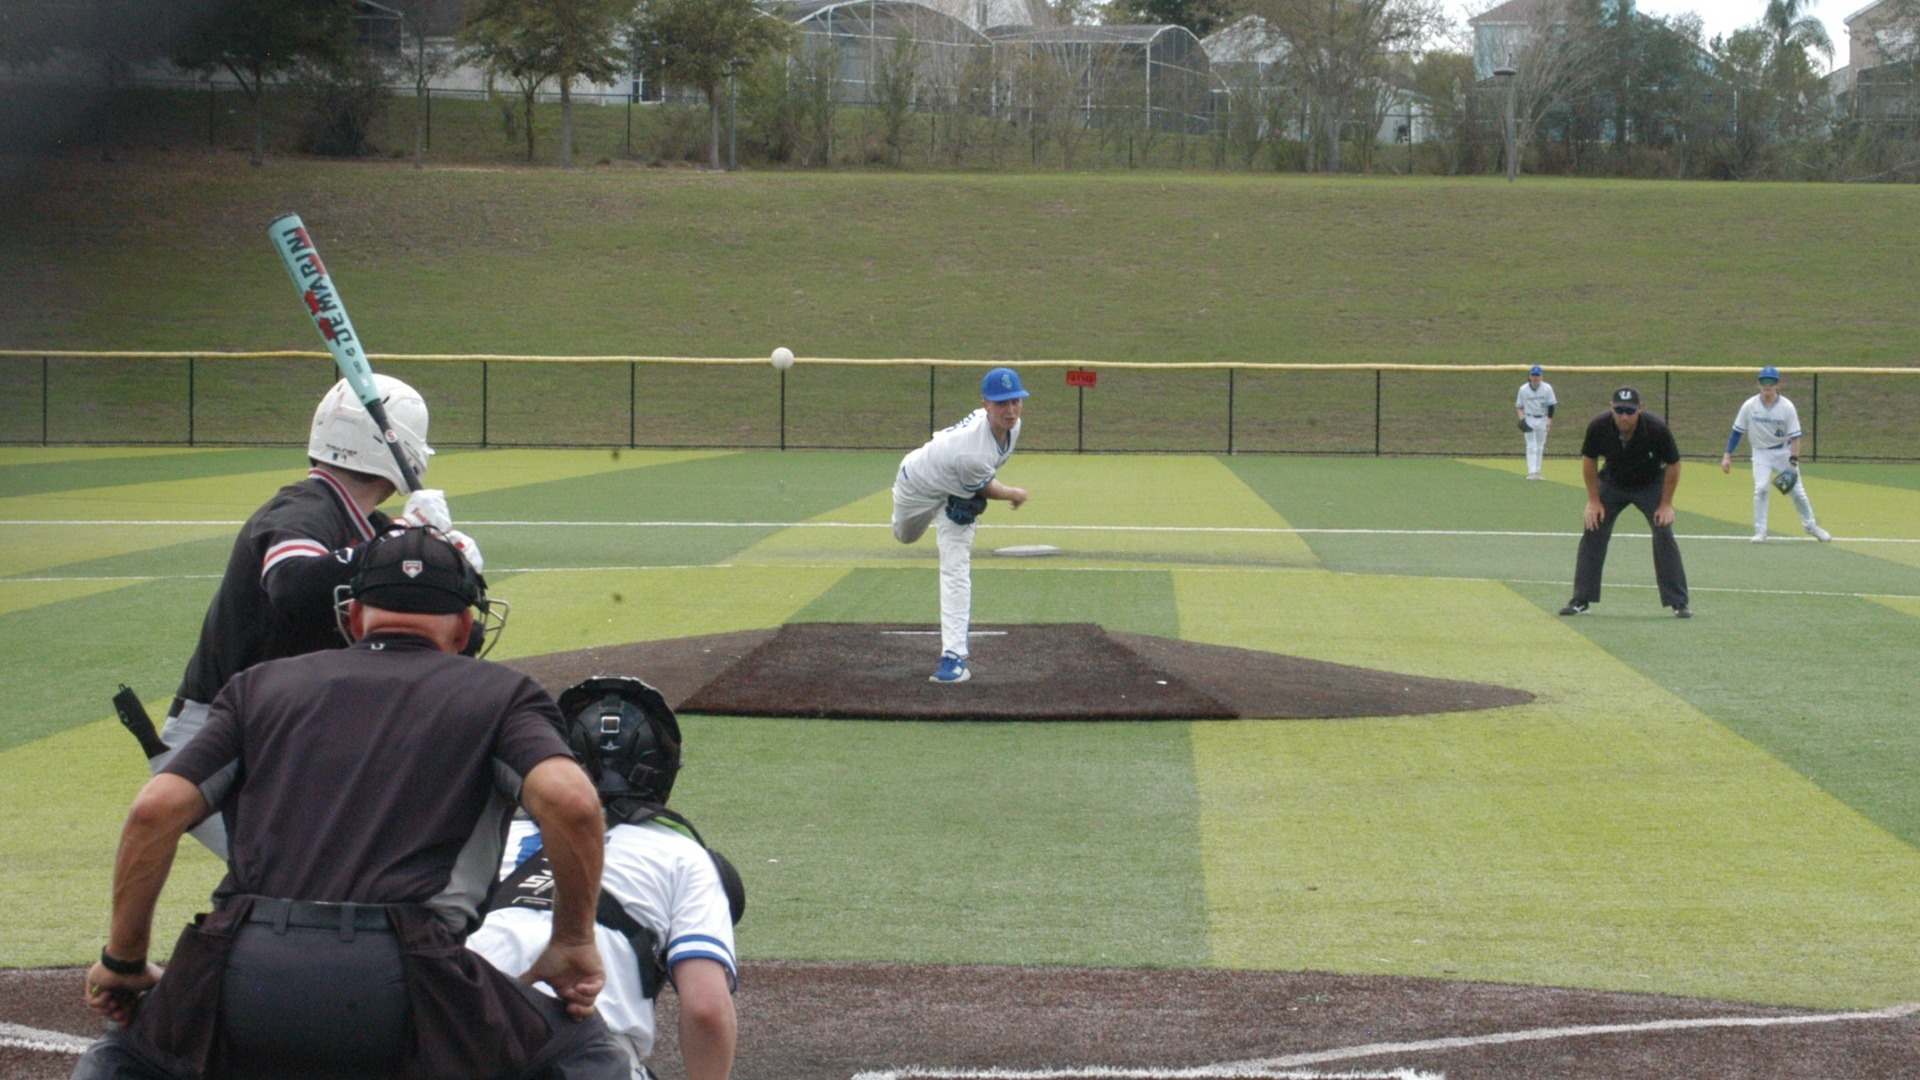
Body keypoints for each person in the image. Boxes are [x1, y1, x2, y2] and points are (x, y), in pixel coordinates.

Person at [73, 527, 625, 1080]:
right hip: (412, 977)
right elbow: (573, 803)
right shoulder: (504, 694)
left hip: (246, 966)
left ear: (355, 616)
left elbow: (153, 812)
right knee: (581, 1051)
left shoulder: (256, 687)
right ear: (464, 627)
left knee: (125, 1055)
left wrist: (123, 960)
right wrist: (573, 941)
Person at [152, 373, 482, 857]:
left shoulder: (367, 526)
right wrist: (395, 543)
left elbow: (455, 645)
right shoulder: (304, 509)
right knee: (310, 878)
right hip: (221, 743)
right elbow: (294, 584)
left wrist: (449, 574)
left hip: (289, 732)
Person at [470, 676, 743, 1080]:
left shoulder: (495, 837)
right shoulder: (683, 856)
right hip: (587, 1062)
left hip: (461, 1048)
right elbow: (706, 1009)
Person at [890, 367, 1031, 684]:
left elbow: (982, 474)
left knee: (955, 568)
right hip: (916, 485)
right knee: (905, 536)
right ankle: (944, 501)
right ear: (985, 404)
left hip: (957, 491)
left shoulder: (1014, 426)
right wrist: (1012, 493)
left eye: (1015, 401)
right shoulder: (970, 450)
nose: (1010, 410)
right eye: (1001, 403)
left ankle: (954, 658)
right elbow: (988, 488)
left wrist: (969, 488)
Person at [1559, 387, 1693, 619]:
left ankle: (1678, 602)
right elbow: (1589, 460)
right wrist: (1593, 501)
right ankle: (1581, 599)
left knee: (1663, 530)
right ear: (1611, 408)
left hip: (1650, 484)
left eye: (1629, 411)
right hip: (1613, 483)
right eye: (1619, 410)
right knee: (1593, 526)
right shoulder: (1599, 426)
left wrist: (1666, 504)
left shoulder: (1657, 428)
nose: (1624, 416)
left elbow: (1674, 464)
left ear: (1640, 409)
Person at [1720, 366, 1832, 544]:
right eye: (1764, 381)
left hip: (1783, 452)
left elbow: (1795, 438)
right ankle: (1760, 531)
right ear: (1758, 384)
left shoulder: (1787, 407)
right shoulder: (1749, 406)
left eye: (1771, 382)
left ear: (1778, 385)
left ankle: (1811, 526)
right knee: (1761, 489)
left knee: (1798, 493)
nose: (1767, 385)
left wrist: (1793, 463)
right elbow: (1736, 432)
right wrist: (1727, 455)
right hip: (1760, 453)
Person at [1515, 364, 1557, 480]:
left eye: (1537, 375)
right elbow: (1519, 406)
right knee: (1531, 446)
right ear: (1530, 376)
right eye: (1533, 375)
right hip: (1529, 418)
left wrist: (1549, 420)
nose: (1535, 377)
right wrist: (1522, 419)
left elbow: (1551, 405)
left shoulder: (1547, 388)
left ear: (1541, 376)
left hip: (1542, 418)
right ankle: (1531, 472)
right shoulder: (1523, 389)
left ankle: (1538, 471)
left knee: (1540, 446)